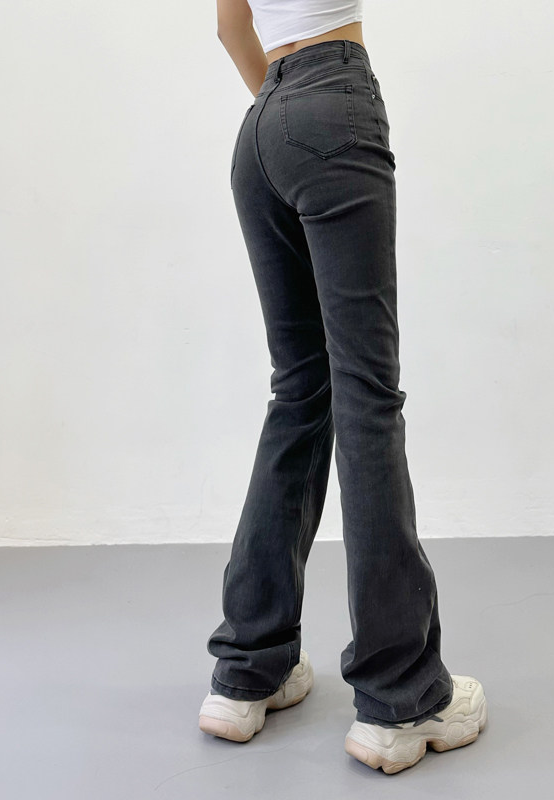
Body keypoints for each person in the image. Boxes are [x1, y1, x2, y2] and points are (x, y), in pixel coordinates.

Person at [198, 0, 487, 773]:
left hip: (261, 128)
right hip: (335, 101)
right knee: (367, 396)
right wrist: (316, 116)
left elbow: (230, 27)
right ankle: (401, 697)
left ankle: (247, 672)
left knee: (299, 389)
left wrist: (284, 108)